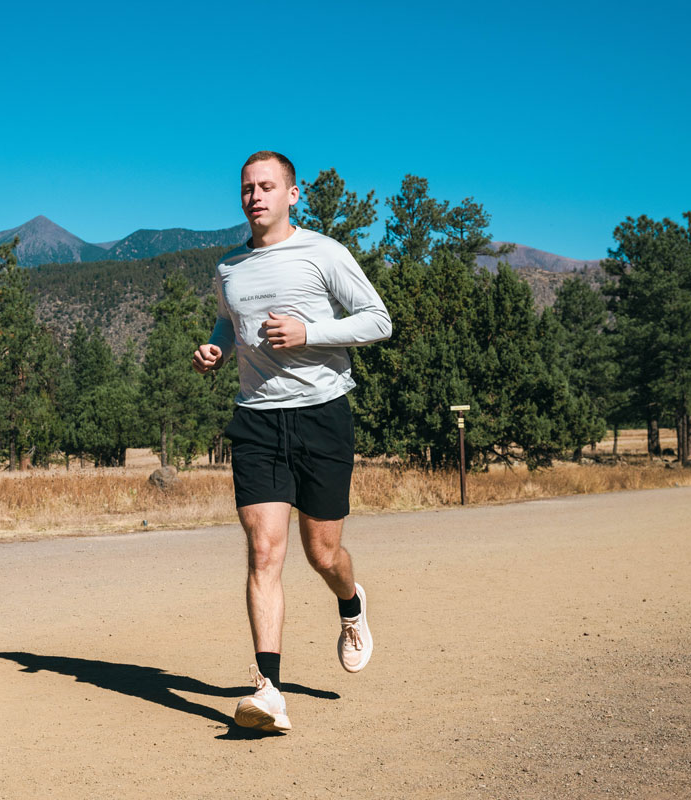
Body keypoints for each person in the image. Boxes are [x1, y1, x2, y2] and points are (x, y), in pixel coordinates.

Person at [192, 151, 392, 732]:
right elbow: (229, 320)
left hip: (322, 414)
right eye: (247, 188)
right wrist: (217, 346)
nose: (255, 196)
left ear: (292, 194)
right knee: (263, 551)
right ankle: (269, 690)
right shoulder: (229, 268)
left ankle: (351, 605)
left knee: (322, 552)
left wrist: (310, 332)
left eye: (267, 186)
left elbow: (378, 320)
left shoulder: (324, 253)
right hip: (256, 419)